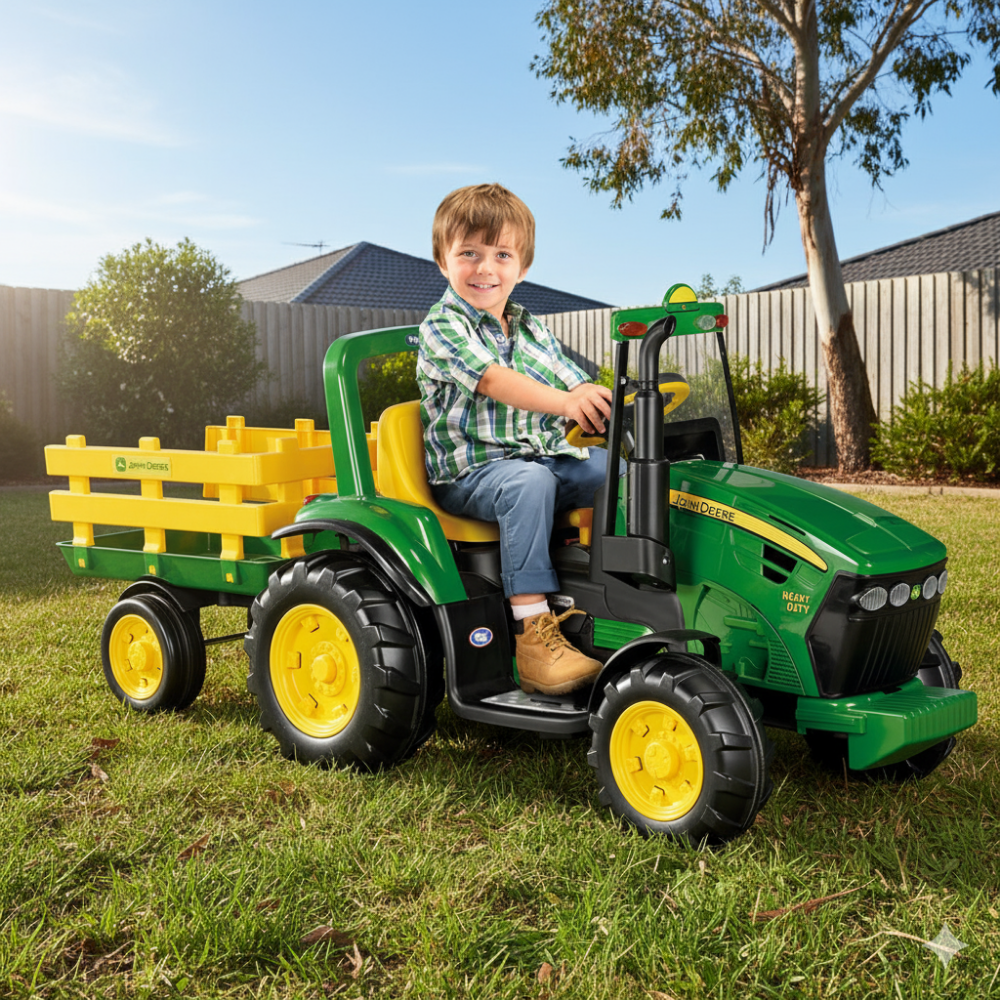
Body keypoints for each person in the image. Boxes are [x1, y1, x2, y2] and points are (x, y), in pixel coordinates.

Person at [417, 183, 613, 695]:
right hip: (471, 474)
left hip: (534, 461)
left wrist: (595, 398)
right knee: (528, 484)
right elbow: (493, 381)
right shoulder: (443, 324)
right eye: (470, 253)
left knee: (605, 470)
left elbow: (569, 377)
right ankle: (532, 634)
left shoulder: (529, 327)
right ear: (443, 260)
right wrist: (567, 403)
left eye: (501, 254)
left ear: (522, 266)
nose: (486, 268)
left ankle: (602, 585)